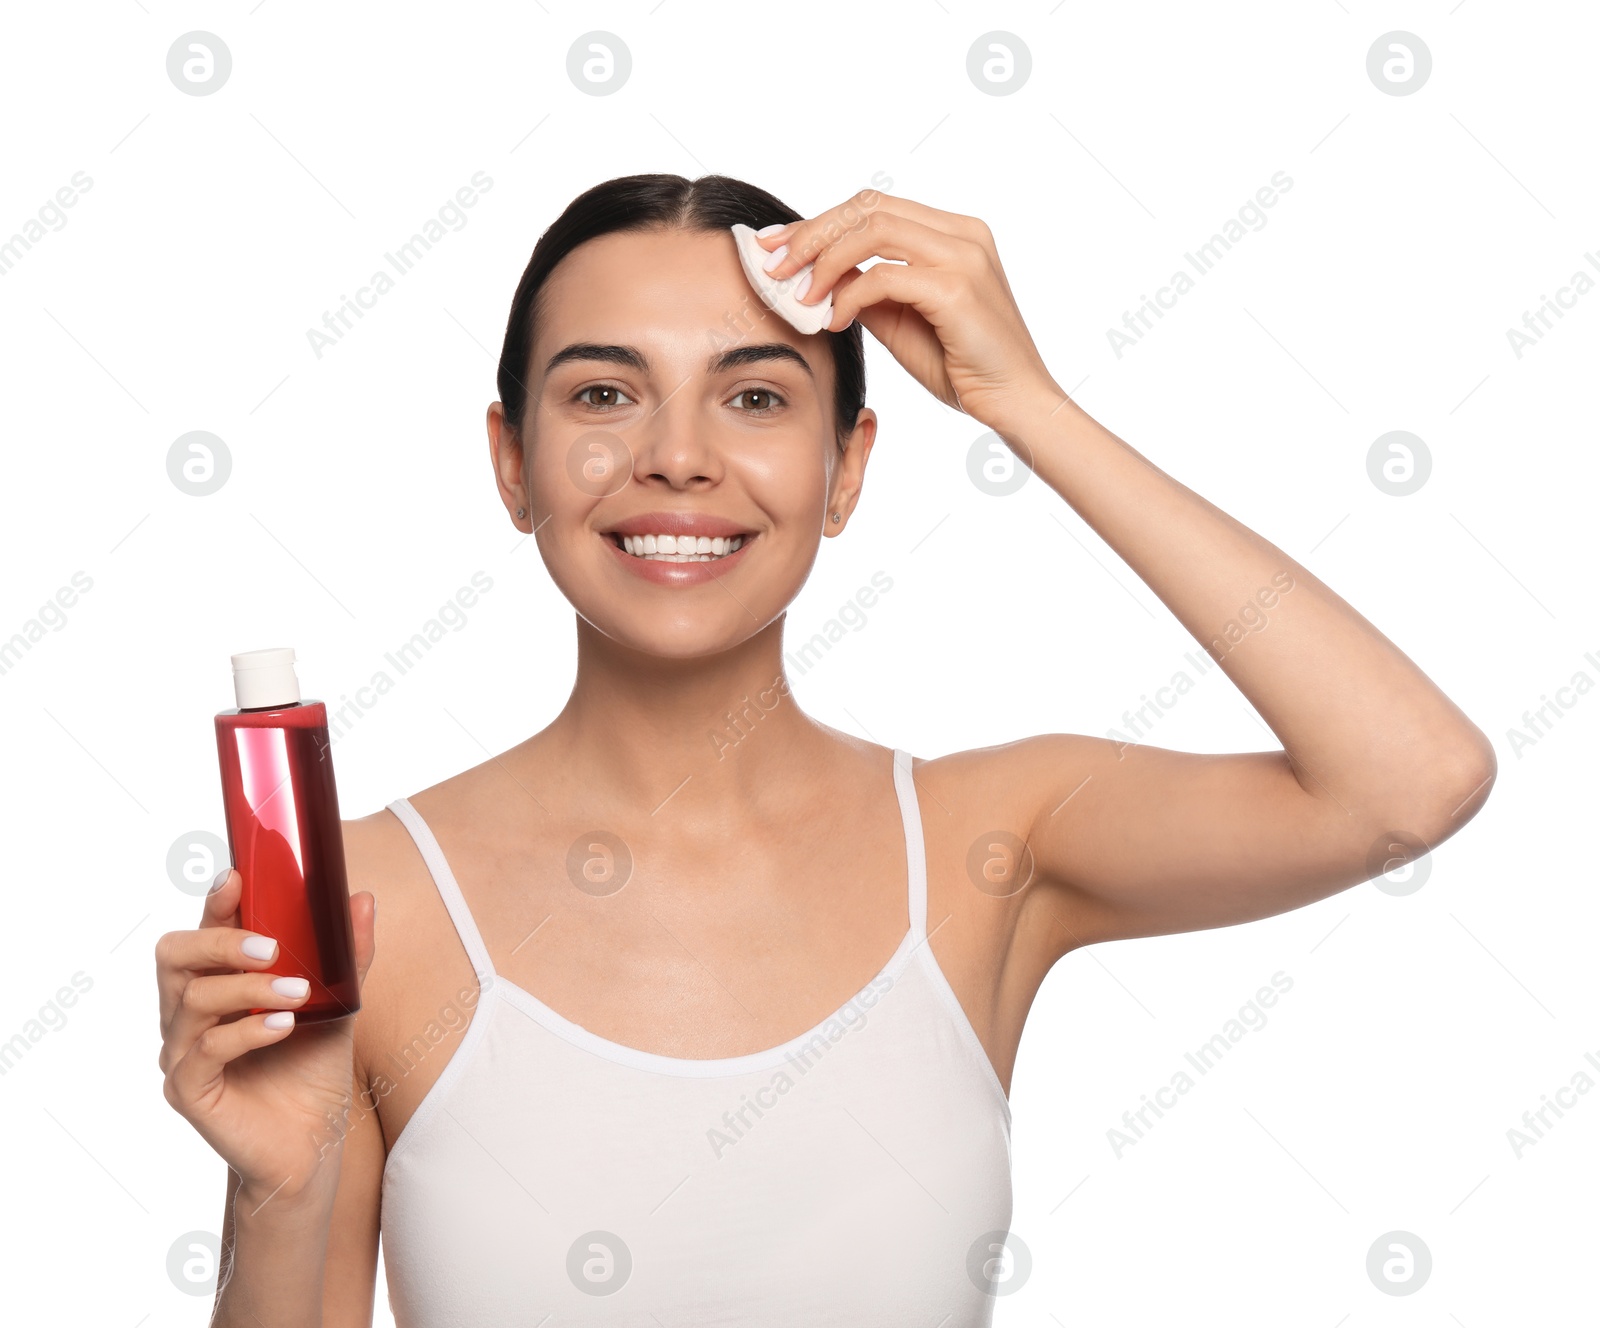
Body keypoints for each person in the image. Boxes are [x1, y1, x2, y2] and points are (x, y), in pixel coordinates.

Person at [155, 173, 1496, 1326]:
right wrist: (282, 1191)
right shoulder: (365, 909)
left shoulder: (993, 847)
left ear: (849, 467)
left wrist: (1025, 402)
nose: (677, 459)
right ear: (512, 460)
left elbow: (1408, 781)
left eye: (754, 397)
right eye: (606, 392)